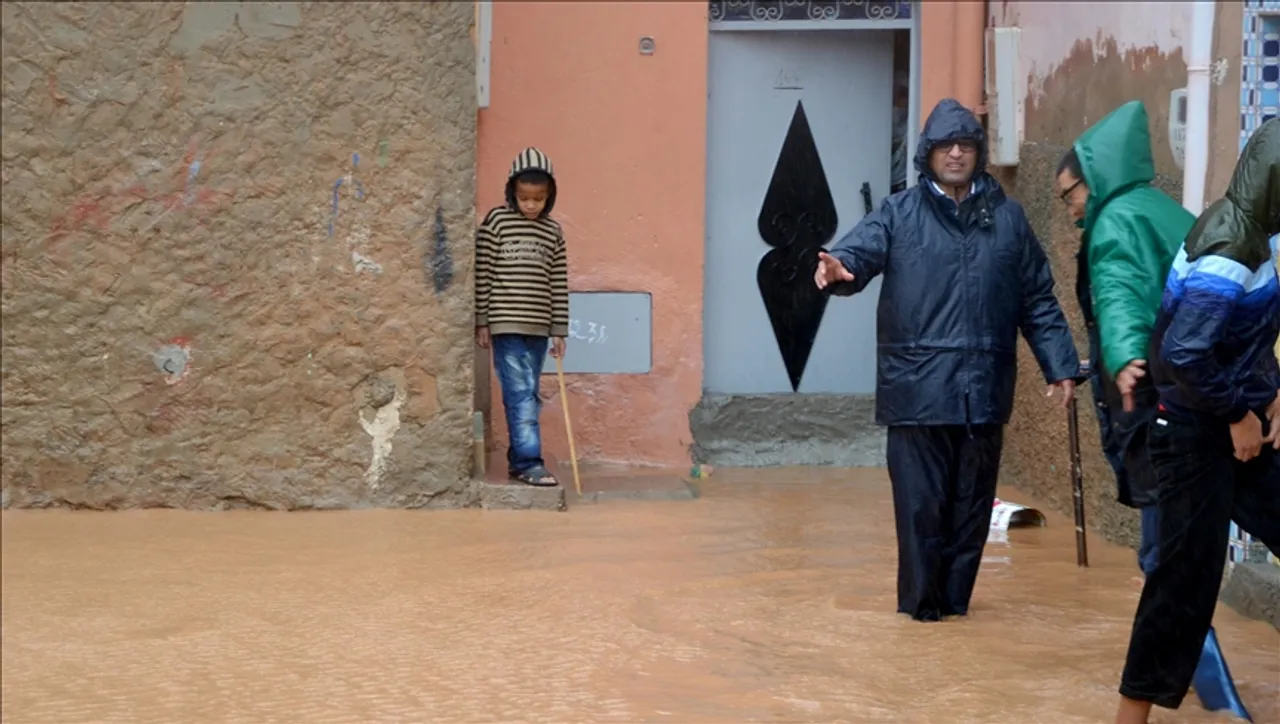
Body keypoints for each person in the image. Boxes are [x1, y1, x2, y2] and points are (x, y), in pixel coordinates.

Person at [814, 98, 1080, 622]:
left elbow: (1038, 299)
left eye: (966, 145)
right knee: (920, 512)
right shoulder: (898, 214)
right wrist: (839, 270)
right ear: (927, 155)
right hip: (916, 393)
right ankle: (919, 616)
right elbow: (857, 254)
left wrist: (1062, 365)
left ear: (979, 154)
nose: (956, 154)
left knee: (970, 514)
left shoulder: (1008, 219)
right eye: (945, 146)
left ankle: (956, 615)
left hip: (982, 392)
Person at [1058, 101, 1252, 721]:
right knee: (1186, 554)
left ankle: (1218, 702)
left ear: (1096, 177)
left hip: (1163, 407)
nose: (1070, 210)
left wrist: (1120, 359)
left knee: (1165, 561)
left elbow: (1119, 295)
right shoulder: (1166, 210)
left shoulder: (1113, 221)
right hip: (1222, 400)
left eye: (1070, 195)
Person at [1114, 118, 1280, 724]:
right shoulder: (1230, 247)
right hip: (1196, 436)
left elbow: (1241, 338)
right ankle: (1131, 718)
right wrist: (1239, 414)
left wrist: (1273, 393)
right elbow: (1184, 354)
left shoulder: (1250, 230)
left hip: (1241, 426)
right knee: (1183, 586)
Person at [474, 147, 569, 487]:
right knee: (521, 392)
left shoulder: (553, 232)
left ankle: (519, 460)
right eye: (525, 198)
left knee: (526, 392)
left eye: (539, 199)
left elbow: (558, 281)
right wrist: (482, 321)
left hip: (539, 328)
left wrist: (559, 329)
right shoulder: (497, 222)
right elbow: (483, 271)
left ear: (550, 196)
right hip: (505, 324)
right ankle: (530, 462)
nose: (531, 205)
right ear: (512, 193)